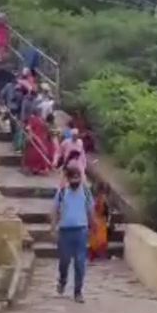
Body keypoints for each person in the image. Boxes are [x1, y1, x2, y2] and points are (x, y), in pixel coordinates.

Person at [49, 164, 93, 303]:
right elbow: (54, 211)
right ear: (68, 179)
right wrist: (52, 228)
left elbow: (90, 210)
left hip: (81, 230)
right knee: (64, 260)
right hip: (65, 231)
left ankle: (78, 292)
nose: (75, 181)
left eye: (77, 178)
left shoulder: (85, 192)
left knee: (80, 262)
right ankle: (62, 280)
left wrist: (93, 227)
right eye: (72, 178)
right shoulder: (62, 193)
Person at [21, 110, 54, 175]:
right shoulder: (41, 120)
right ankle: (40, 168)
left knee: (33, 154)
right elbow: (46, 129)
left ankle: (34, 168)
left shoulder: (32, 119)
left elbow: (29, 129)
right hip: (40, 139)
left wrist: (29, 137)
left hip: (36, 140)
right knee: (40, 153)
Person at [88, 192, 110, 261]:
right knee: (99, 239)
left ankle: (96, 254)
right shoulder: (99, 202)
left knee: (97, 239)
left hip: (98, 220)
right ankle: (99, 254)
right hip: (99, 220)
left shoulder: (94, 202)